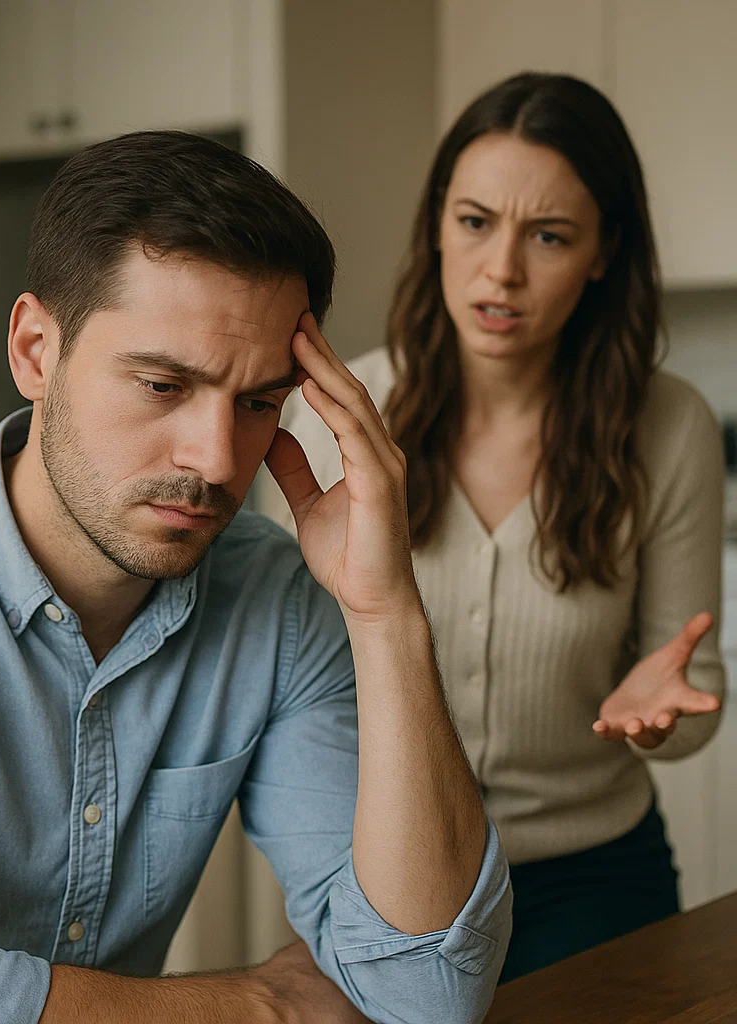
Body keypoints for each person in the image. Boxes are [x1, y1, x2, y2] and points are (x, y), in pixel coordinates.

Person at [0, 129, 512, 1024]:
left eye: (258, 402)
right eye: (161, 386)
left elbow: (429, 993)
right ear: (34, 351)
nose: (218, 462)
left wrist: (386, 613)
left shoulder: (278, 601)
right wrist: (260, 1005)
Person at [267, 73, 726, 982]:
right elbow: (290, 675)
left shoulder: (672, 429)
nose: (502, 270)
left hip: (598, 876)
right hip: (384, 875)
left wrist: (658, 718)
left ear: (602, 254)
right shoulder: (337, 415)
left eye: (549, 236)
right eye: (476, 222)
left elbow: (692, 682)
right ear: (438, 222)